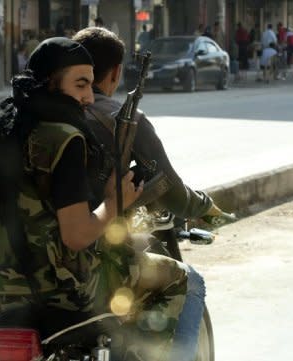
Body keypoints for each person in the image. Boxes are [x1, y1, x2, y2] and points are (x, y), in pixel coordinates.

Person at [0, 37, 191, 361]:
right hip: (68, 294)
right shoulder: (64, 138)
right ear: (49, 81)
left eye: (91, 85)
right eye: (80, 85)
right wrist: (115, 204)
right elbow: (77, 235)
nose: (89, 97)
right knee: (177, 278)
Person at [73, 26, 229, 361]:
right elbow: (171, 190)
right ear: (115, 73)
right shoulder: (119, 117)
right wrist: (204, 206)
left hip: (33, 264)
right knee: (191, 283)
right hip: (96, 261)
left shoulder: (42, 123)